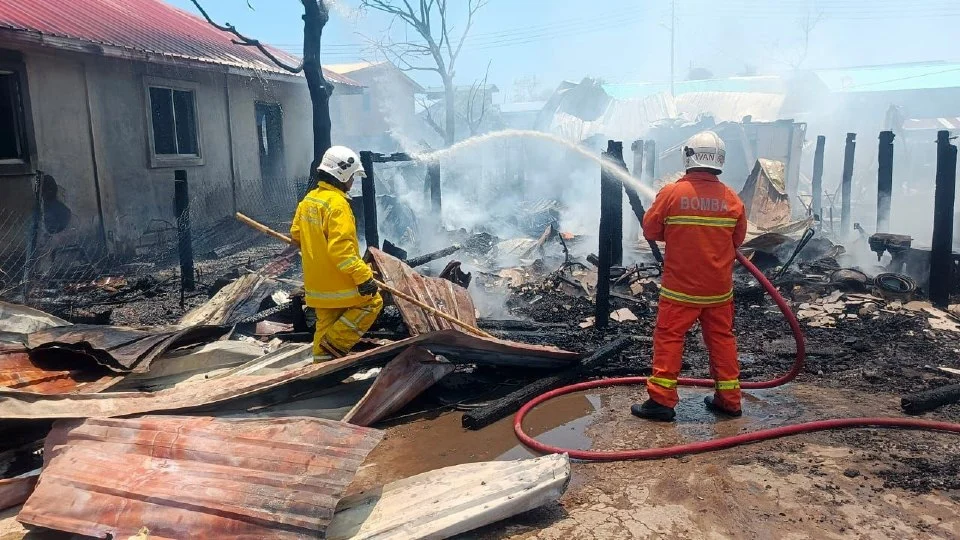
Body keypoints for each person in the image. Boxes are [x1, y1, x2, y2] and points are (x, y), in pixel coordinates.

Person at [632, 131, 747, 422]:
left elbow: (650, 230)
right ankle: (730, 401)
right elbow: (739, 238)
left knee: (670, 339)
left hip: (680, 290)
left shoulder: (672, 193)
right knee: (722, 340)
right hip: (719, 291)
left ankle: (661, 401)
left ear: (688, 156)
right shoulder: (732, 199)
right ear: (720, 160)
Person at [290, 146, 383, 362]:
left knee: (325, 322)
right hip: (338, 284)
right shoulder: (338, 205)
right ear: (343, 175)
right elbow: (342, 251)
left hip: (316, 287)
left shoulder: (309, 201)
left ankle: (321, 369)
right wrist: (364, 277)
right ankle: (334, 345)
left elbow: (296, 234)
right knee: (372, 302)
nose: (353, 182)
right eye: (352, 177)